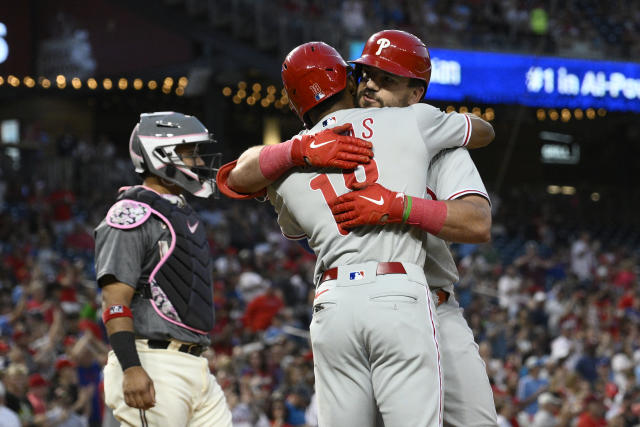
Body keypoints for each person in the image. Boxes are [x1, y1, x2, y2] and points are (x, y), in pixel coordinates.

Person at [218, 30, 497, 426]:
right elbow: (483, 129)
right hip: (400, 298)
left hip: (413, 303)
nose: (370, 86)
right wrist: (297, 150)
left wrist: (401, 207)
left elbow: (477, 222)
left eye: (386, 79)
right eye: (365, 75)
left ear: (416, 93)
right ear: (348, 79)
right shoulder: (415, 124)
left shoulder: (435, 140)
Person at [94, 112, 232, 426]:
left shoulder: (179, 213)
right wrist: (131, 367)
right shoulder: (131, 212)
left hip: (196, 365)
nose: (198, 161)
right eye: (190, 152)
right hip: (152, 362)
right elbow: (115, 298)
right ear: (160, 154)